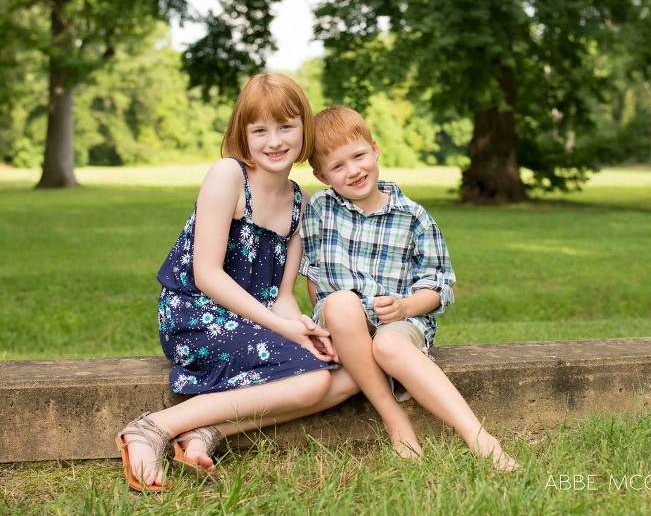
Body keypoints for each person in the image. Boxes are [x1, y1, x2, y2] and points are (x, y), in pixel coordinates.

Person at [116, 74, 358, 492]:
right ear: (242, 136)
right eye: (259, 130)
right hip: (197, 313)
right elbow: (205, 274)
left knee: (351, 370)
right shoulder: (229, 176)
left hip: (259, 320)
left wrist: (303, 328)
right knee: (315, 380)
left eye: (286, 126)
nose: (275, 141)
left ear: (305, 129)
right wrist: (283, 328)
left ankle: (209, 431)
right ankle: (152, 427)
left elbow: (282, 296)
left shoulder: (300, 201)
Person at [299, 105, 521, 472]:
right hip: (343, 325)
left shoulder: (413, 216)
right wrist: (327, 327)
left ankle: (479, 437)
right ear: (321, 175)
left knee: (387, 343)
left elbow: (439, 287)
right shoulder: (320, 209)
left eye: (358, 156)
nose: (353, 170)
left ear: (375, 149)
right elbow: (314, 278)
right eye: (338, 166)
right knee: (338, 304)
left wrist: (403, 308)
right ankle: (396, 422)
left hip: (400, 324)